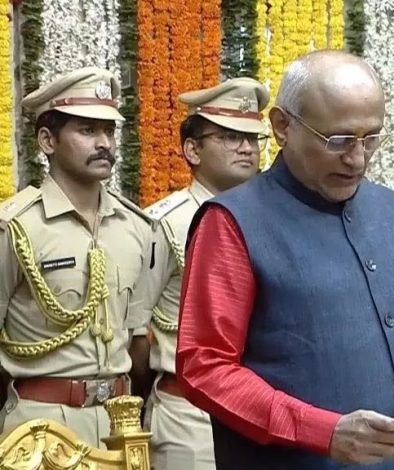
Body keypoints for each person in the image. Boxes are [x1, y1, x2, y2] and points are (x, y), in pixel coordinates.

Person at [175, 50, 394, 470]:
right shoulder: (233, 223)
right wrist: (321, 431)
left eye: (372, 138)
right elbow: (206, 368)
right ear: (282, 126)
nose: (358, 159)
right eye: (338, 141)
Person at [0, 67, 153, 447]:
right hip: (40, 426)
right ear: (48, 140)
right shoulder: (15, 227)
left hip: (121, 424)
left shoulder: (136, 226)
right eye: (87, 130)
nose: (104, 143)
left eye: (110, 131)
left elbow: (138, 342)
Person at [136, 77, 270, 470]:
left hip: (265, 411)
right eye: (230, 136)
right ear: (192, 149)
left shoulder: (275, 220)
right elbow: (134, 333)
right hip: (189, 416)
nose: (246, 147)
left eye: (252, 137)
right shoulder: (166, 224)